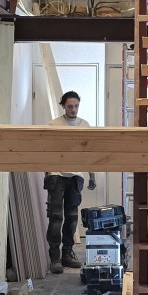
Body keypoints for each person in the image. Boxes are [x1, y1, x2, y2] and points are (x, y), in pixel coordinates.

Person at [43, 91, 97, 274]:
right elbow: (45, 150)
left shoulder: (84, 125)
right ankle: (54, 258)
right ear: (63, 106)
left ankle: (67, 254)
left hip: (75, 176)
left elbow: (89, 152)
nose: (73, 110)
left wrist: (92, 175)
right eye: (70, 106)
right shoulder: (53, 125)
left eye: (76, 106)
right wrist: (47, 172)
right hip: (57, 175)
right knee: (56, 217)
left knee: (72, 218)